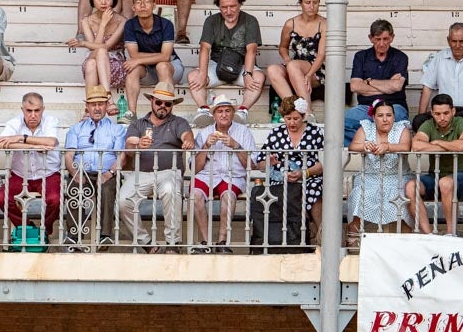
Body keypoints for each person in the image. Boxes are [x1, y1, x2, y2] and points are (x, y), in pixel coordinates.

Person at [118, 83, 193, 253]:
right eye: (159, 102)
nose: (163, 107)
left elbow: (186, 134)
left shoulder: (178, 122)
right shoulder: (138, 124)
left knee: (169, 190)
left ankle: (173, 243)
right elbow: (129, 149)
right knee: (123, 201)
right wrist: (138, 145)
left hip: (169, 172)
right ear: (152, 101)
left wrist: (188, 140)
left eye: (168, 104)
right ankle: (146, 242)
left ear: (172, 105)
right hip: (141, 174)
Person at [250, 97, 324, 251]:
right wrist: (270, 162)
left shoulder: (315, 132)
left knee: (312, 190)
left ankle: (320, 233)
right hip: (281, 177)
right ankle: (296, 236)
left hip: (309, 176)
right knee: (285, 192)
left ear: (303, 117)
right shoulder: (276, 133)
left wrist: (305, 173)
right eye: (288, 118)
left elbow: (325, 163)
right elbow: (261, 163)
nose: (292, 122)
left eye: (296, 118)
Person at [187, 0, 265, 127]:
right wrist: (202, 74)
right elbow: (205, 48)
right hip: (216, 65)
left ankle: (242, 111)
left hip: (241, 65)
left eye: (233, 6)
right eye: (224, 7)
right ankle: (204, 109)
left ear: (240, 4)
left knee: (258, 78)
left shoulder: (250, 20)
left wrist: (248, 73)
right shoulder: (211, 21)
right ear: (219, 7)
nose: (229, 11)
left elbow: (251, 50)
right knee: (193, 76)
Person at [63, 85, 127, 250]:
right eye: (93, 104)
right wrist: (74, 173)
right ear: (87, 107)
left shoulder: (117, 129)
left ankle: (105, 236)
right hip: (81, 171)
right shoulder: (75, 129)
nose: (97, 108)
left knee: (106, 189)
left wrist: (110, 173)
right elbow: (69, 156)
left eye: (101, 104)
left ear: (106, 105)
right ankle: (74, 235)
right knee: (74, 187)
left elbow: (121, 156)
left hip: (107, 173)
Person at [190, 95, 256, 253]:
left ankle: (222, 241)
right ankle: (205, 242)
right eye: (220, 111)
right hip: (207, 175)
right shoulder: (205, 132)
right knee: (194, 194)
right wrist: (206, 146)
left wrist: (236, 146)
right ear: (214, 115)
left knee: (228, 195)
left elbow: (251, 164)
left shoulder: (243, 132)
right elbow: (194, 168)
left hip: (232, 176)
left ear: (233, 113)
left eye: (227, 111)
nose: (224, 114)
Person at [0, 93, 63, 244]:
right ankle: (27, 227)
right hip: (21, 175)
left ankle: (45, 228)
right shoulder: (14, 122)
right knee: (1, 198)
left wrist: (21, 138)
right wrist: (33, 145)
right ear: (22, 110)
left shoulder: (50, 120)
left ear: (43, 110)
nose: (33, 115)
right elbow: (1, 143)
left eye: (37, 110)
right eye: (29, 110)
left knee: (55, 200)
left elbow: (50, 142)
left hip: (48, 174)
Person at [405, 93, 463, 236]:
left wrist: (437, 142)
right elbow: (417, 145)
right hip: (436, 176)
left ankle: (451, 234)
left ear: (453, 111)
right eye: (437, 114)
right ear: (432, 113)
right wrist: (450, 146)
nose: (442, 118)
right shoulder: (428, 125)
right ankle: (429, 235)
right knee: (411, 187)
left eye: (446, 113)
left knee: (445, 183)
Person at [345, 98, 411, 244]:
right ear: (374, 117)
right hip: (370, 177)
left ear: (394, 117)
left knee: (401, 201)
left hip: (397, 178)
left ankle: (408, 244)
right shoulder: (366, 127)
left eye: (389, 115)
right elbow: (353, 146)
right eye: (380, 116)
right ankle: (353, 244)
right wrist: (364, 145)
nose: (385, 119)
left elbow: (405, 146)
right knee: (358, 196)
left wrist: (388, 147)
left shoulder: (402, 128)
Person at [122, 0, 184, 122]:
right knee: (132, 69)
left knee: (162, 65)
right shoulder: (130, 25)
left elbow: (166, 56)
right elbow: (134, 54)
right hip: (148, 71)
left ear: (154, 5)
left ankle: (166, 114)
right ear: (133, 7)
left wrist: (139, 59)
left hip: (171, 69)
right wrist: (139, 59)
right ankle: (131, 113)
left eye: (146, 1)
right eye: (138, 2)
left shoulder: (165, 24)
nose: (142, 5)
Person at [345, 18, 410, 143]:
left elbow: (397, 86)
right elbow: (355, 87)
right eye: (377, 39)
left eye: (385, 39)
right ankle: (363, 149)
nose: (381, 43)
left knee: (400, 118)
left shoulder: (400, 57)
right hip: (366, 107)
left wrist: (369, 82)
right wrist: (387, 86)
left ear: (392, 37)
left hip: (394, 106)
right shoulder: (361, 57)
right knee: (345, 120)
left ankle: (387, 151)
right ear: (370, 38)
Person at [266, 0, 326, 105]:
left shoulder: (324, 24)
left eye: (315, 2)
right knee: (272, 69)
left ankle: (308, 112)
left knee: (293, 66)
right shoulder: (290, 23)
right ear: (300, 4)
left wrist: (308, 75)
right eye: (307, 3)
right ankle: (294, 107)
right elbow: (283, 47)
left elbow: (321, 55)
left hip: (316, 70)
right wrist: (287, 60)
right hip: (294, 66)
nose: (312, 6)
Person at [68, 0, 127, 102]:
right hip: (94, 58)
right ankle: (108, 98)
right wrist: (103, 25)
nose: (103, 2)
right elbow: (95, 49)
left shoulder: (122, 20)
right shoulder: (86, 21)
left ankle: (88, 108)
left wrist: (83, 43)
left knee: (93, 61)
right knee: (97, 55)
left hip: (114, 65)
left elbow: (107, 46)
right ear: (92, 0)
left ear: (114, 0)